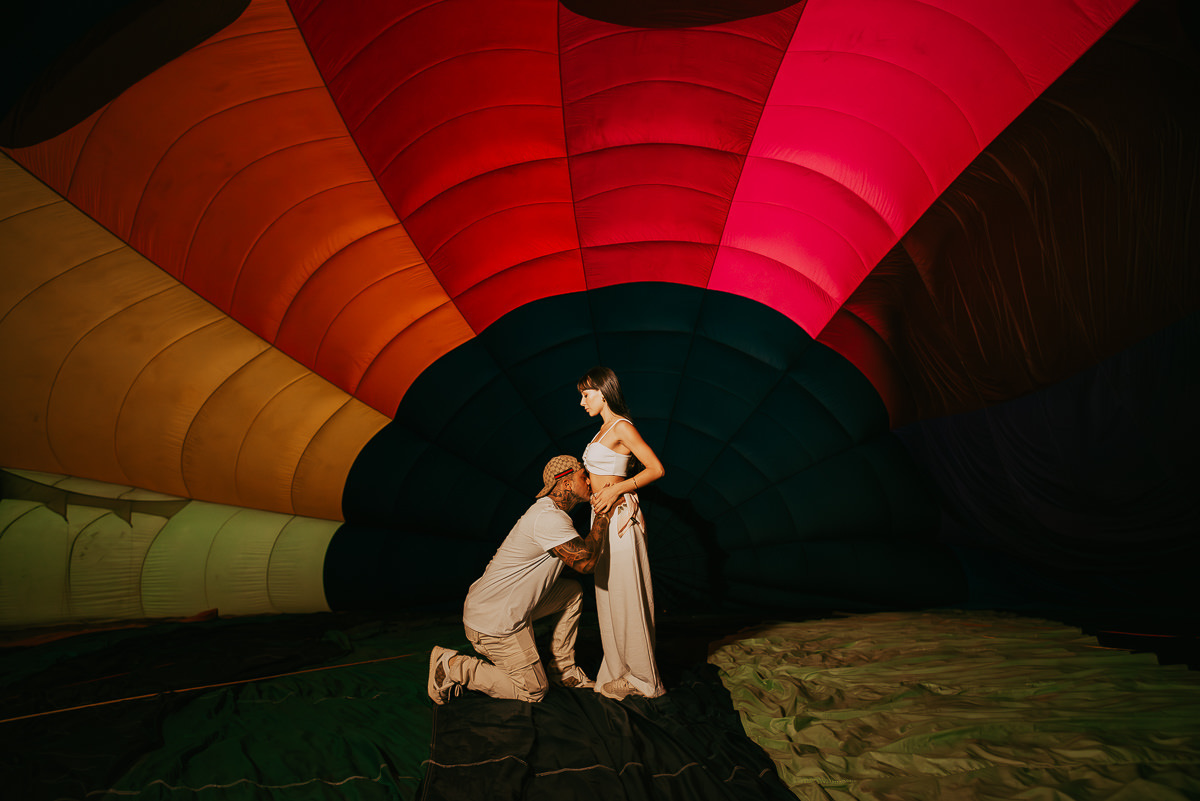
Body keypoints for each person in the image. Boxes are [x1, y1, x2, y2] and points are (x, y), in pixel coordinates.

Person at [428, 455, 610, 704]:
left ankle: (563, 670)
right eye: (583, 475)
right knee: (533, 691)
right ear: (566, 482)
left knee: (571, 592)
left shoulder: (550, 514)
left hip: (496, 608)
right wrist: (603, 512)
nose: (588, 480)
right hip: (493, 623)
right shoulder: (548, 518)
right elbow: (586, 563)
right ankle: (453, 665)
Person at [577, 366, 666, 700]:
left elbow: (656, 468)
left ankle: (645, 679)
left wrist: (617, 491)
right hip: (599, 517)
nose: (582, 402)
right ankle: (618, 670)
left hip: (619, 517)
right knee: (608, 595)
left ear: (603, 391)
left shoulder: (622, 427)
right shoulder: (601, 431)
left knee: (627, 594)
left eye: (586, 395)